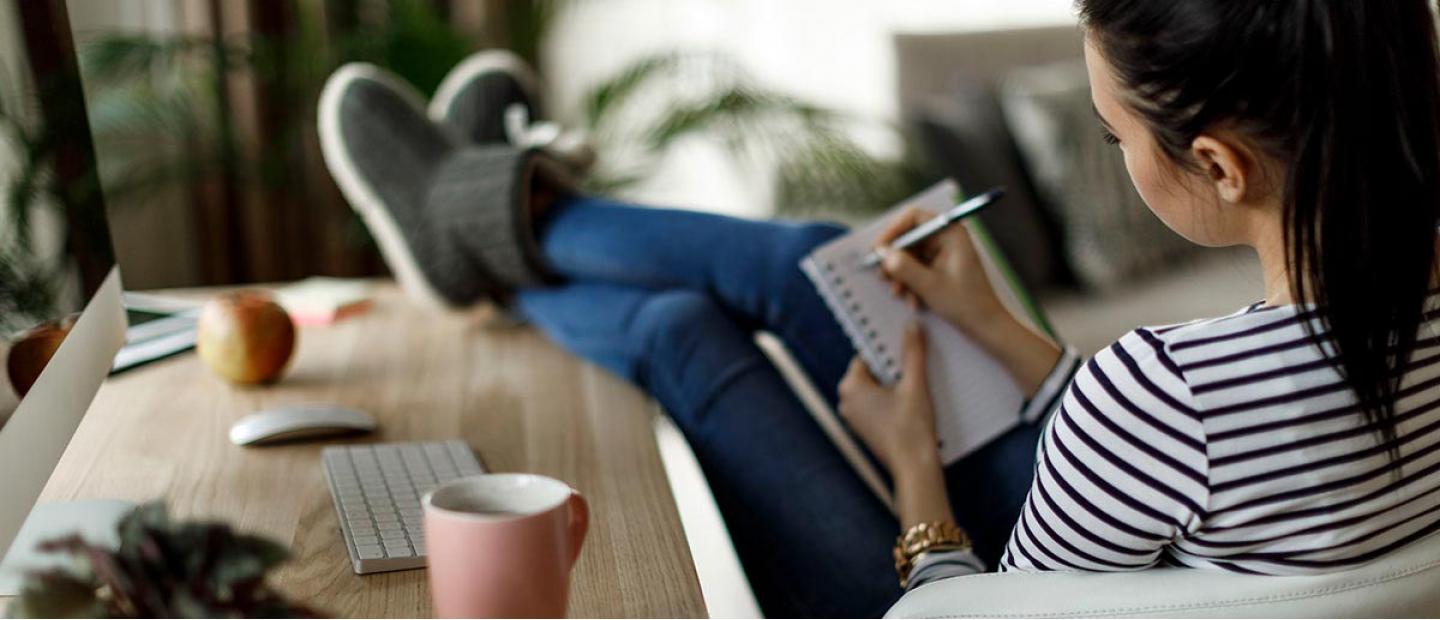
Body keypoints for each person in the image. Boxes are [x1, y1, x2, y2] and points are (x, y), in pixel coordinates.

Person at [317, 1, 1440, 616]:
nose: (1117, 152)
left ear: (1220, 163)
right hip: (1174, 559)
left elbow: (984, 612)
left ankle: (485, 226)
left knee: (682, 333)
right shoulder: (1347, 334)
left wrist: (911, 463)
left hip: (952, 601)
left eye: (1118, 137)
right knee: (822, 260)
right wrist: (1000, 328)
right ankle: (498, 225)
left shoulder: (1160, 387)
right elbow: (1180, 452)